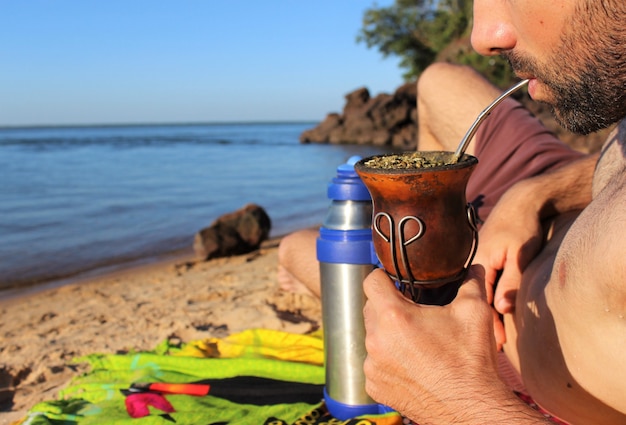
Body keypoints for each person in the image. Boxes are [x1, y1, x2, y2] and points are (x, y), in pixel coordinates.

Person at [279, 1, 626, 423]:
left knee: (298, 248)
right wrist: (534, 197)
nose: (484, 37)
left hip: (508, 318)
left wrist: (453, 396)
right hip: (550, 195)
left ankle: (429, 286)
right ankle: (435, 251)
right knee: (439, 81)